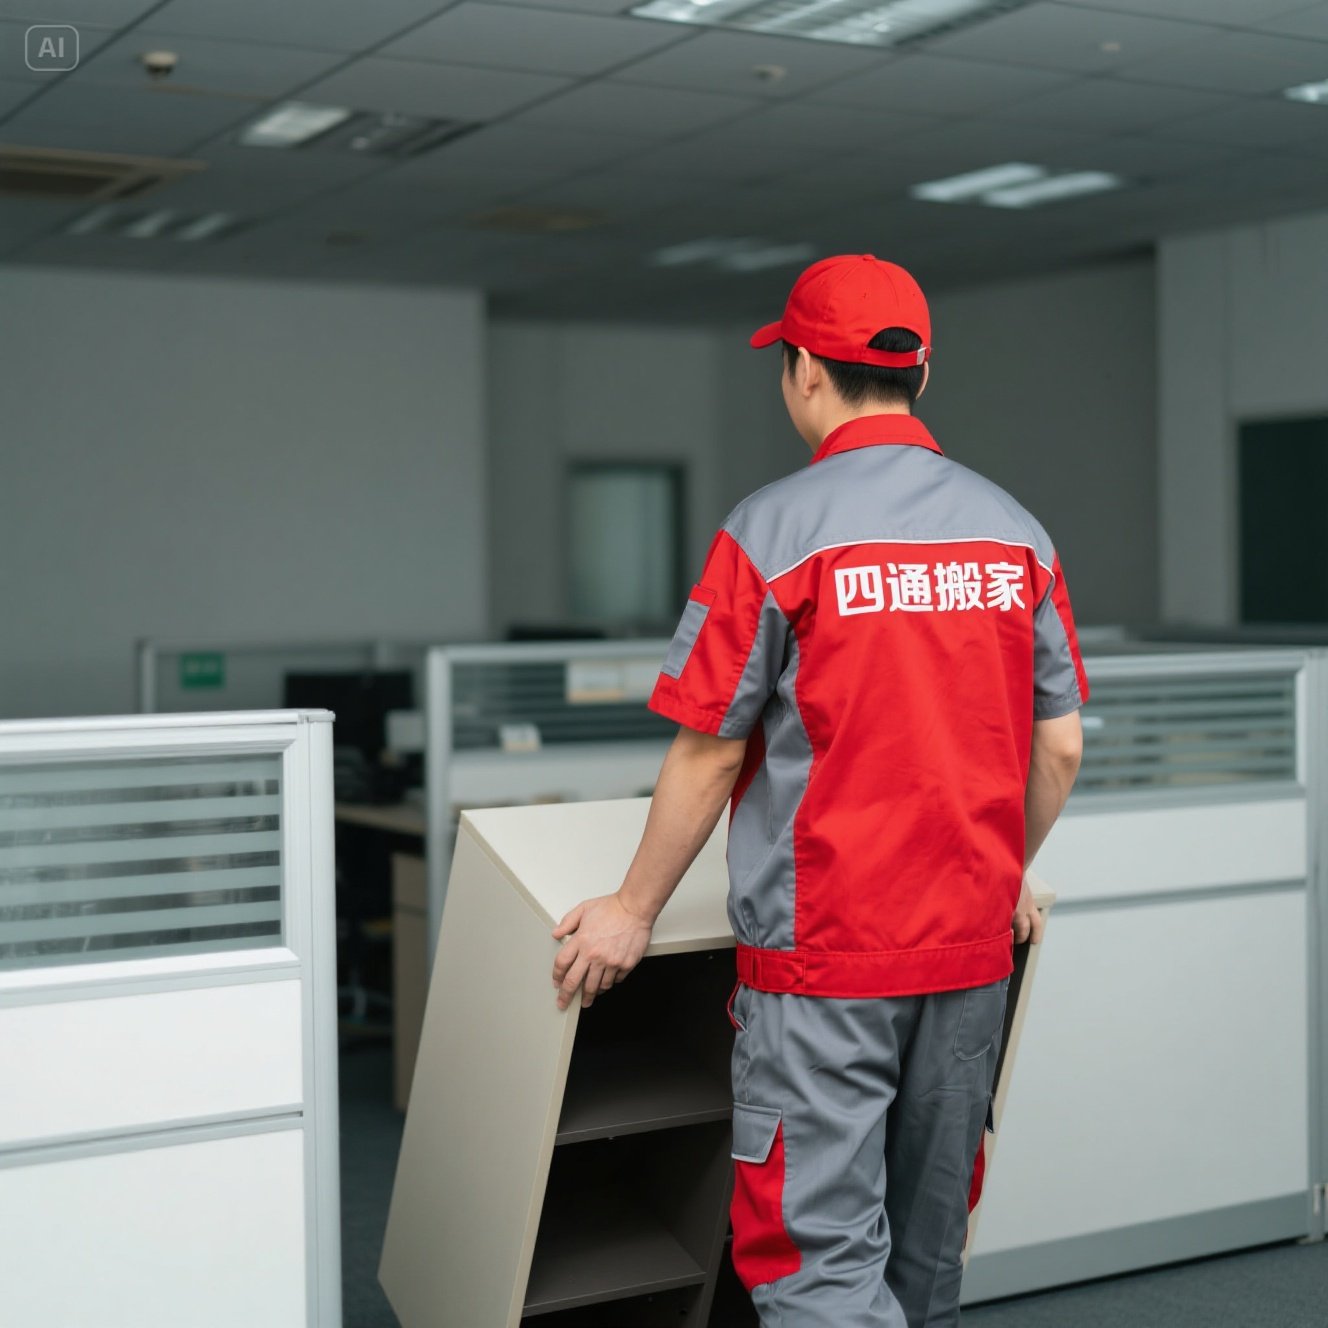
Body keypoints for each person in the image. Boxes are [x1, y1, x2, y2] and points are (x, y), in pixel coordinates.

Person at [550, 254, 1087, 1327]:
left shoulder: (773, 531)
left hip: (825, 961)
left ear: (802, 370)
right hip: (968, 957)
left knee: (815, 1260)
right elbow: (1059, 746)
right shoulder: (1014, 533)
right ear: (920, 371)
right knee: (924, 1248)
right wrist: (1001, 872)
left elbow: (709, 753)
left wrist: (631, 909)